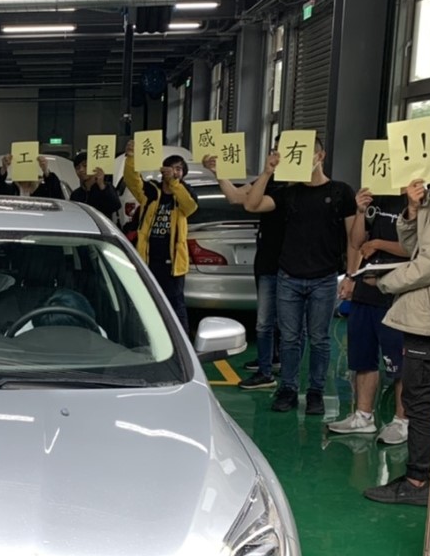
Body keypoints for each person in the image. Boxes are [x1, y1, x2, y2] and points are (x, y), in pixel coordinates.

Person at [364, 121, 430, 506]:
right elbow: (415, 247)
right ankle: (421, 477)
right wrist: (412, 209)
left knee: (420, 401)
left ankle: (419, 482)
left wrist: (384, 283)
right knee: (420, 398)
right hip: (425, 312)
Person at [243, 137, 357, 415]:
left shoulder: (341, 192)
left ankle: (316, 392)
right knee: (290, 338)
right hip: (289, 276)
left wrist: (352, 276)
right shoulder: (289, 193)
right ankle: (288, 388)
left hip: (324, 277)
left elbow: (354, 239)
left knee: (319, 338)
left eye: (308, 154)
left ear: (321, 156)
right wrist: (267, 171)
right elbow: (252, 205)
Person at [328, 189, 409, 444]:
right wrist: (361, 211)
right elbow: (356, 243)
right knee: (362, 357)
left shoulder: (415, 200)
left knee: (399, 362)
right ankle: (363, 416)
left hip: (397, 291)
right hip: (366, 287)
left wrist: (378, 244)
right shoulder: (376, 196)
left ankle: (402, 420)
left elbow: (416, 247)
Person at [203, 146, 285, 390]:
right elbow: (237, 197)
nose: (275, 156)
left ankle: (283, 366)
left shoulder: (302, 188)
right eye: (273, 151)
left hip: (294, 263)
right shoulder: (266, 182)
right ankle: (267, 365)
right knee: (265, 320)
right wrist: (218, 173)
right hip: (267, 260)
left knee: (290, 324)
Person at [123, 142, 199, 330]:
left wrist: (174, 183)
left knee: (175, 304)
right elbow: (132, 181)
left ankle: (180, 339)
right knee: (145, 301)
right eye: (171, 168)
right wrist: (131, 157)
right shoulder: (151, 192)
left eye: (179, 169)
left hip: (173, 263)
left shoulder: (186, 193)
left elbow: (189, 207)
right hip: (148, 259)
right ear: (162, 170)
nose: (175, 172)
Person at [0, 154, 65, 199]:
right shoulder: (9, 191)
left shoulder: (44, 190)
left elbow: (56, 193)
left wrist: (45, 171)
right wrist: (4, 168)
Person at [70, 151, 121, 221]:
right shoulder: (75, 194)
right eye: (77, 168)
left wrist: (101, 185)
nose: (81, 170)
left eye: (85, 166)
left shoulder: (105, 187)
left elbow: (115, 206)